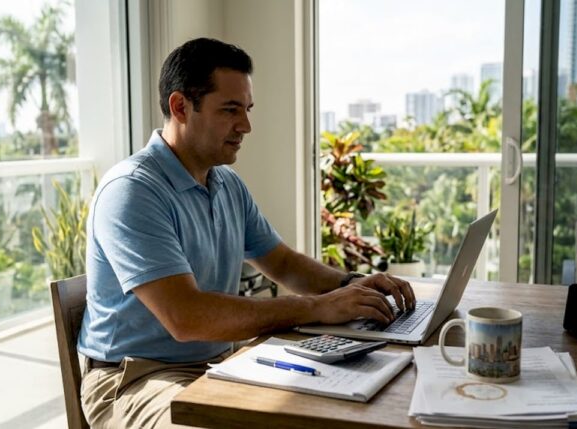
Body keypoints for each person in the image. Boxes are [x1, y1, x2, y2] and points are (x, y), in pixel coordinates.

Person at [77, 37, 415, 428]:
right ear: (180, 106)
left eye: (247, 109)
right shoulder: (133, 190)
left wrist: (353, 284)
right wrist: (317, 307)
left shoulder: (226, 183)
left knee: (346, 400)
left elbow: (283, 263)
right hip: (137, 380)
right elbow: (186, 317)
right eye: (230, 110)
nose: (246, 126)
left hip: (220, 362)